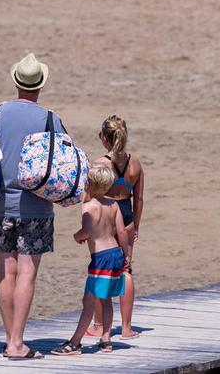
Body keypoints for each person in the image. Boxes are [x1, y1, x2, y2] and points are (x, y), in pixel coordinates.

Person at [0, 53, 68, 361]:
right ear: (40, 86)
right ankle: (17, 342)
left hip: (2, 204)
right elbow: (64, 161)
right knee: (27, 271)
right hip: (36, 207)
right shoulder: (48, 118)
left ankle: (9, 338)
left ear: (16, 82)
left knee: (7, 270)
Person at [50, 165, 131, 357]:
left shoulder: (89, 206)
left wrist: (76, 237)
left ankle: (75, 342)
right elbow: (122, 232)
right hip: (115, 253)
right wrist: (126, 254)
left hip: (100, 258)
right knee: (107, 299)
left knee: (89, 301)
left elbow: (86, 231)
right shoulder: (113, 204)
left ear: (89, 183)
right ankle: (106, 339)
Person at [87, 115, 145, 340]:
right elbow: (139, 199)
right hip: (127, 216)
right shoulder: (135, 163)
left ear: (105, 139)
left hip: (106, 218)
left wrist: (86, 226)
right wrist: (136, 225)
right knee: (125, 270)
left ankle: (100, 325)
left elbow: (89, 196)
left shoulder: (99, 164)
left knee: (102, 271)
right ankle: (127, 328)